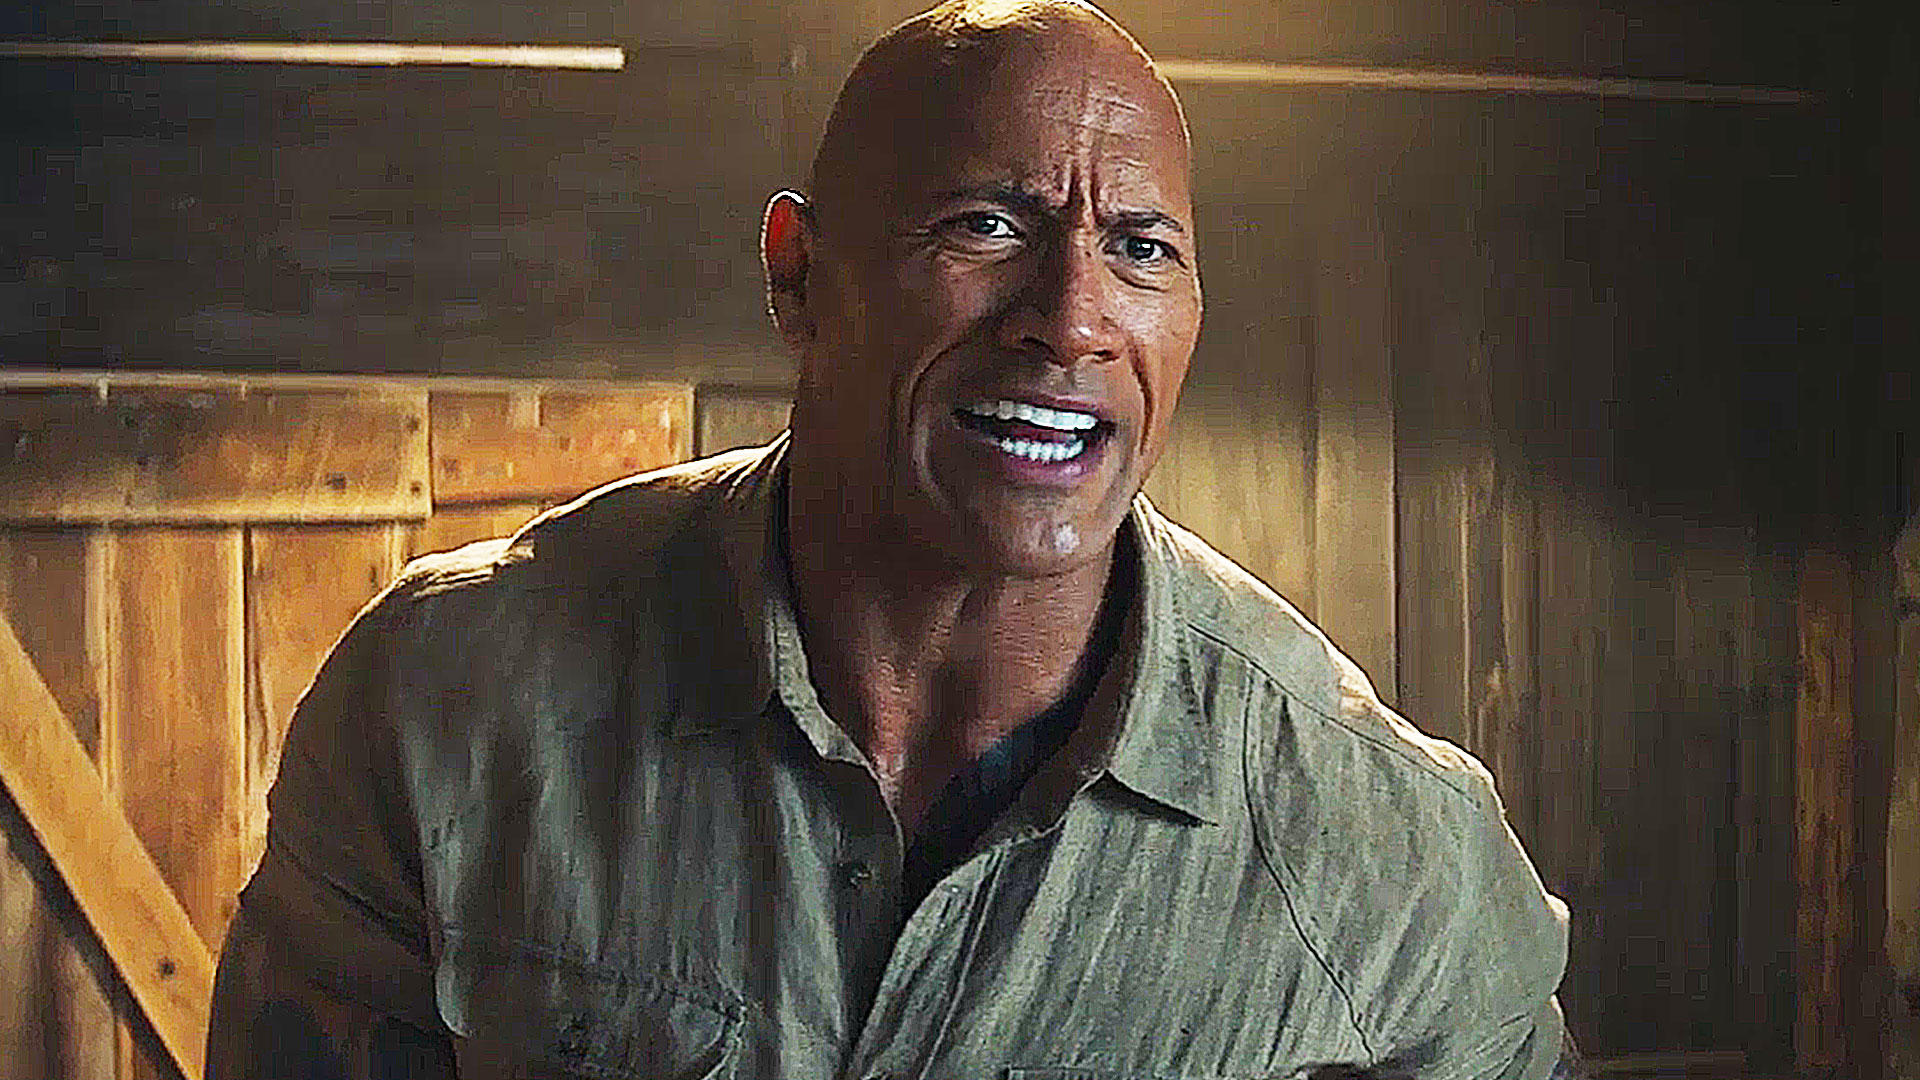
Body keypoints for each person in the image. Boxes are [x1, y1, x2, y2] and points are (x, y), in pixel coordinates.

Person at [208, 2, 1575, 1077]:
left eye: (1143, 249)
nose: (1073, 319)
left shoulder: (1387, 850)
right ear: (798, 274)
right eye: (988, 226)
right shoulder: (446, 704)